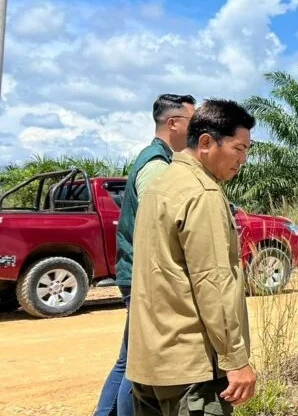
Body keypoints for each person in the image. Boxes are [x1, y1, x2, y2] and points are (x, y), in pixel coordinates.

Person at [126, 99, 257, 415]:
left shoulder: (161, 185)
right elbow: (213, 282)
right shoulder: (203, 193)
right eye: (239, 149)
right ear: (207, 142)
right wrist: (235, 360)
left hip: (150, 364)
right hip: (191, 369)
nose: (243, 160)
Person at [94, 93, 195, 416]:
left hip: (138, 275)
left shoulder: (158, 159)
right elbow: (160, 225)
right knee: (138, 366)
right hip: (145, 278)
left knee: (128, 361)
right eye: (193, 123)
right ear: (174, 123)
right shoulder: (155, 165)